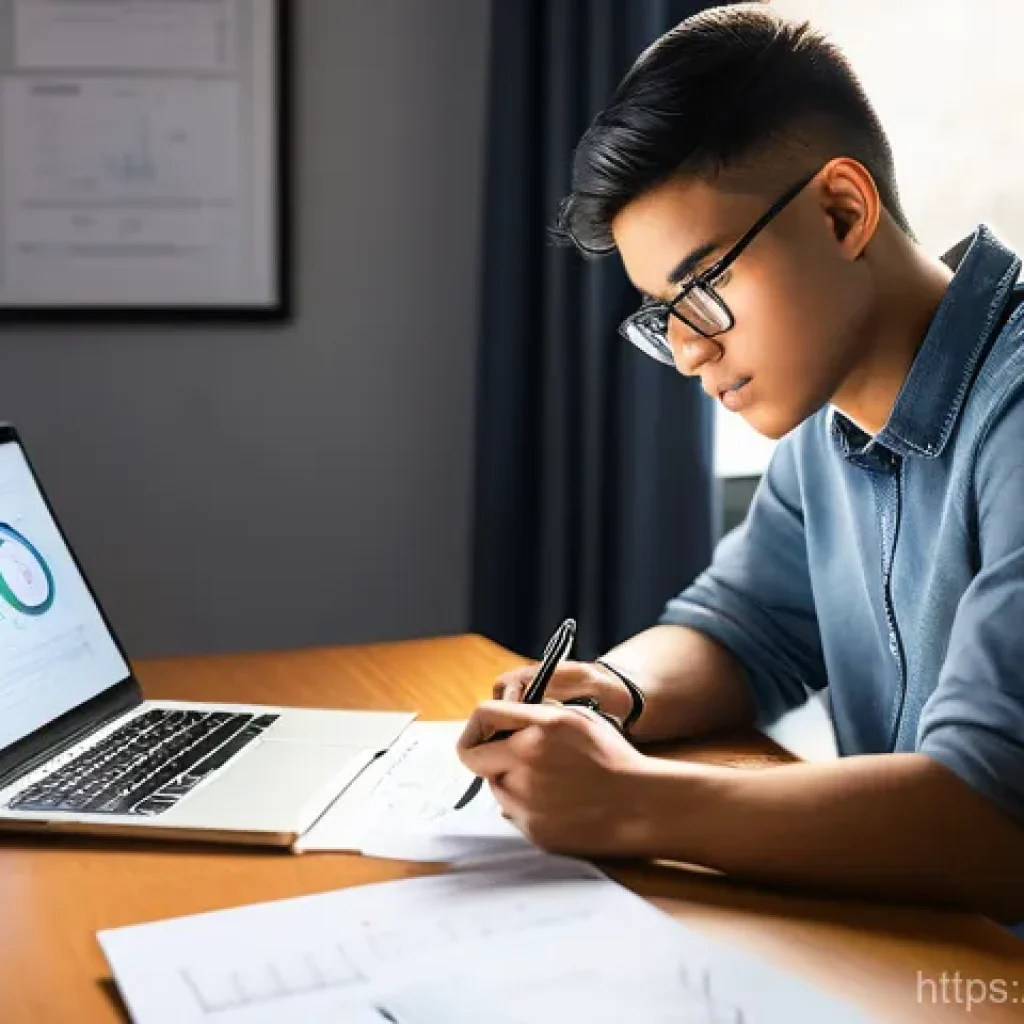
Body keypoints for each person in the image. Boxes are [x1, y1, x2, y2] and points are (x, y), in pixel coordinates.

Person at [457, 2, 1024, 926]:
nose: (685, 350)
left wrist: (630, 800)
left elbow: (991, 816)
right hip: (920, 948)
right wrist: (614, 688)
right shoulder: (826, 406)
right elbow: (746, 627)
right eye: (660, 310)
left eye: (706, 287)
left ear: (844, 211)